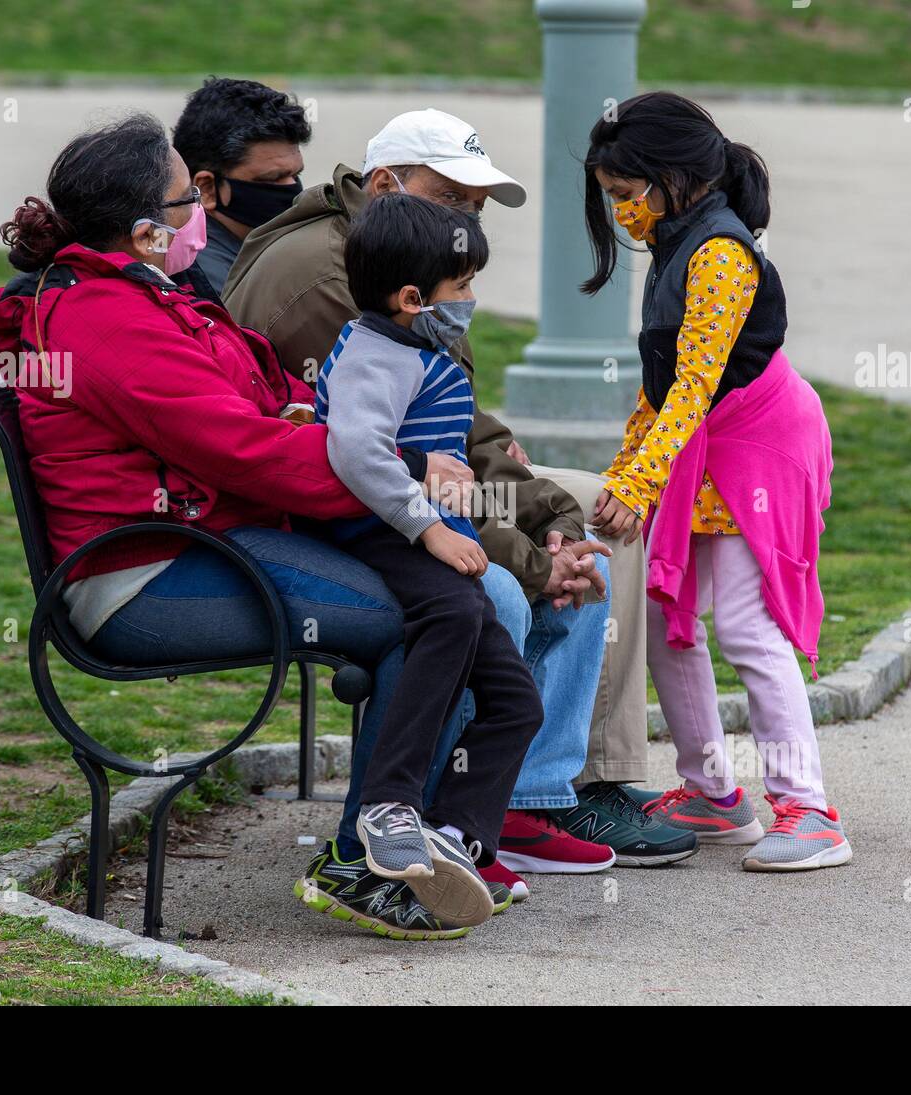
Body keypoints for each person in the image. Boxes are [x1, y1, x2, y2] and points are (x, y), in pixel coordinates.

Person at [0, 114, 485, 939]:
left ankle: (413, 837)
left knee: (443, 599)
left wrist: (381, 453)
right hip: (141, 581)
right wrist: (399, 478)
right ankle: (365, 859)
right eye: (187, 199)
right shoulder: (109, 320)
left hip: (199, 544)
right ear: (146, 231)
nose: (201, 215)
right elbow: (247, 451)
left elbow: (263, 395)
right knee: (414, 617)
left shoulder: (143, 292)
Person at [224, 109, 694, 884]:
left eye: (474, 208)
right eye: (454, 198)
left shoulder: (401, 251)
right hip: (353, 513)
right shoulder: (336, 276)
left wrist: (546, 520)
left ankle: (538, 797)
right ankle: (433, 814)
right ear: (385, 185)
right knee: (501, 595)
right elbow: (382, 458)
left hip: (428, 484)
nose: (467, 224)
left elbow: (459, 423)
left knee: (598, 522)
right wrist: (535, 558)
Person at [581, 92, 852, 871]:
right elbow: (661, 387)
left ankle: (809, 808)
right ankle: (711, 791)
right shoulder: (674, 242)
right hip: (701, 443)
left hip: (760, 445)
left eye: (626, 196)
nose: (620, 213)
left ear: (673, 178)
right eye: (611, 199)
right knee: (671, 616)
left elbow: (695, 387)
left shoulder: (721, 255)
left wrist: (640, 483)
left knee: (744, 622)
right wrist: (628, 469)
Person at [311, 193, 544, 929]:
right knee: (452, 608)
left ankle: (455, 837)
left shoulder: (413, 346)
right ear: (412, 299)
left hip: (415, 525)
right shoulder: (378, 354)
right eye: (462, 286)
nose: (471, 300)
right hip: (377, 529)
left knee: (516, 701)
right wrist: (428, 529)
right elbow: (353, 450)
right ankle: (390, 803)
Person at [171, 77, 310, 294]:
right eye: (273, 179)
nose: (293, 190)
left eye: (295, 174)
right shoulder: (213, 287)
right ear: (206, 188)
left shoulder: (253, 252)